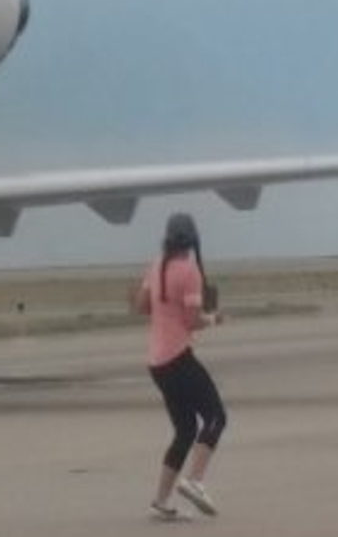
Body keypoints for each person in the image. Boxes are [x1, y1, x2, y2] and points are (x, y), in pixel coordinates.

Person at [130, 212, 227, 521]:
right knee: (215, 417)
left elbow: (142, 305)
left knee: (185, 430)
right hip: (178, 357)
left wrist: (165, 309)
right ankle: (194, 482)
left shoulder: (157, 264)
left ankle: (160, 501)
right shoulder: (189, 270)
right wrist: (213, 318)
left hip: (156, 362)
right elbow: (192, 320)